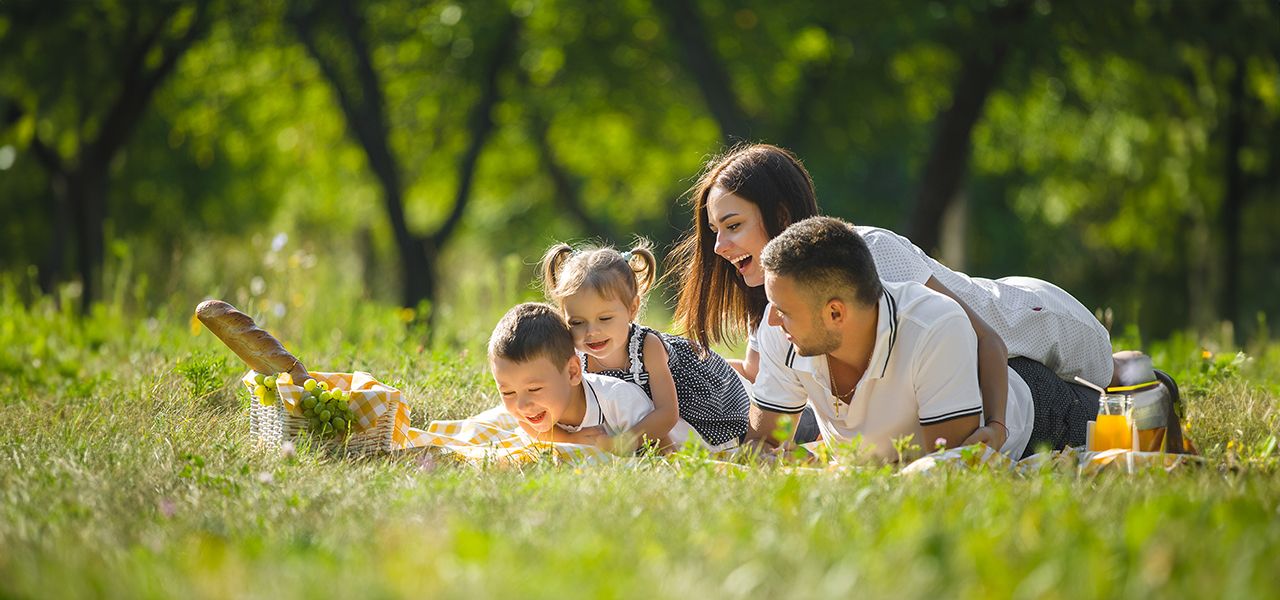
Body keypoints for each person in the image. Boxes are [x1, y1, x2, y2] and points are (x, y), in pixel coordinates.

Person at [669, 143, 1117, 450]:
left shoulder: (869, 254)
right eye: (714, 231)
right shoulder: (780, 298)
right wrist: (669, 363)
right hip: (965, 364)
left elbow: (986, 341)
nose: (719, 247)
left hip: (1030, 323)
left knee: (1110, 382)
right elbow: (759, 374)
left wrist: (997, 427)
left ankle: (1137, 371)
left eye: (733, 226)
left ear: (780, 214)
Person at [747, 217, 1098, 461]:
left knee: (1131, 411)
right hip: (950, 385)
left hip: (1040, 415)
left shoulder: (933, 326)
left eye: (783, 310)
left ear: (836, 314)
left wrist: (997, 425)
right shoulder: (782, 329)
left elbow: (945, 467)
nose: (772, 319)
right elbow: (762, 447)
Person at [540, 240, 750, 451]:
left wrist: (622, 443)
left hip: (693, 409)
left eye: (605, 318)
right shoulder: (577, 355)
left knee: (685, 448)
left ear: (632, 309)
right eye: (577, 322)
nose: (591, 332)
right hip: (639, 418)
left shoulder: (647, 347)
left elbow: (667, 413)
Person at [488, 302, 662, 450]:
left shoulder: (619, 400)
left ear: (572, 372)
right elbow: (526, 424)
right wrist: (570, 439)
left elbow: (666, 444)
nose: (522, 405)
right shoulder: (530, 412)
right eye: (508, 393)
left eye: (534, 389)